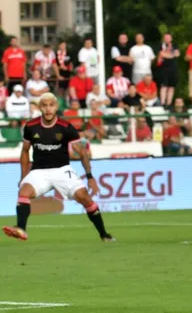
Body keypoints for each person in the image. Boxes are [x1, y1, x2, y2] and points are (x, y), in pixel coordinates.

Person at [3, 93, 114, 242]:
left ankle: (104, 234)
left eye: (51, 105)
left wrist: (89, 176)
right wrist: (23, 176)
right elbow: (25, 151)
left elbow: (82, 152)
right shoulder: (30, 126)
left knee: (85, 198)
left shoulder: (66, 127)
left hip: (62, 170)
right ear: (40, 107)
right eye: (44, 105)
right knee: (23, 192)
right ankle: (21, 229)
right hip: (39, 171)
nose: (48, 109)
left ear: (56, 107)